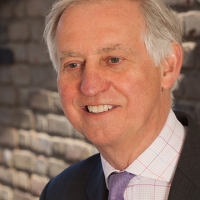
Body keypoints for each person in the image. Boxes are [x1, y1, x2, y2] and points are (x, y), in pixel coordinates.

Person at [40, 0, 200, 199]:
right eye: (73, 65)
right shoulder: (58, 192)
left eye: (113, 60)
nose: (90, 87)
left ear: (167, 66)